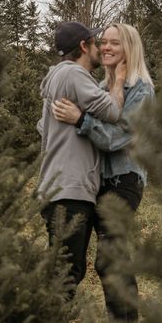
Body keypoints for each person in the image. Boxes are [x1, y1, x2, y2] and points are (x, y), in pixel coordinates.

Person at [51, 23, 154, 323]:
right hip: (96, 185)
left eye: (115, 43)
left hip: (124, 181)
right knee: (99, 261)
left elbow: (117, 137)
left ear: (129, 48)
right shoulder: (97, 86)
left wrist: (81, 120)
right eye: (104, 42)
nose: (107, 47)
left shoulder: (141, 88)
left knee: (111, 259)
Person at [37, 21, 127, 301]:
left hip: (58, 186)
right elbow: (112, 112)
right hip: (70, 188)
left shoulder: (56, 77)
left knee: (65, 270)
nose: (101, 47)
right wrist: (119, 79)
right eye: (95, 41)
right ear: (82, 47)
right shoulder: (75, 75)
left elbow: (42, 127)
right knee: (66, 275)